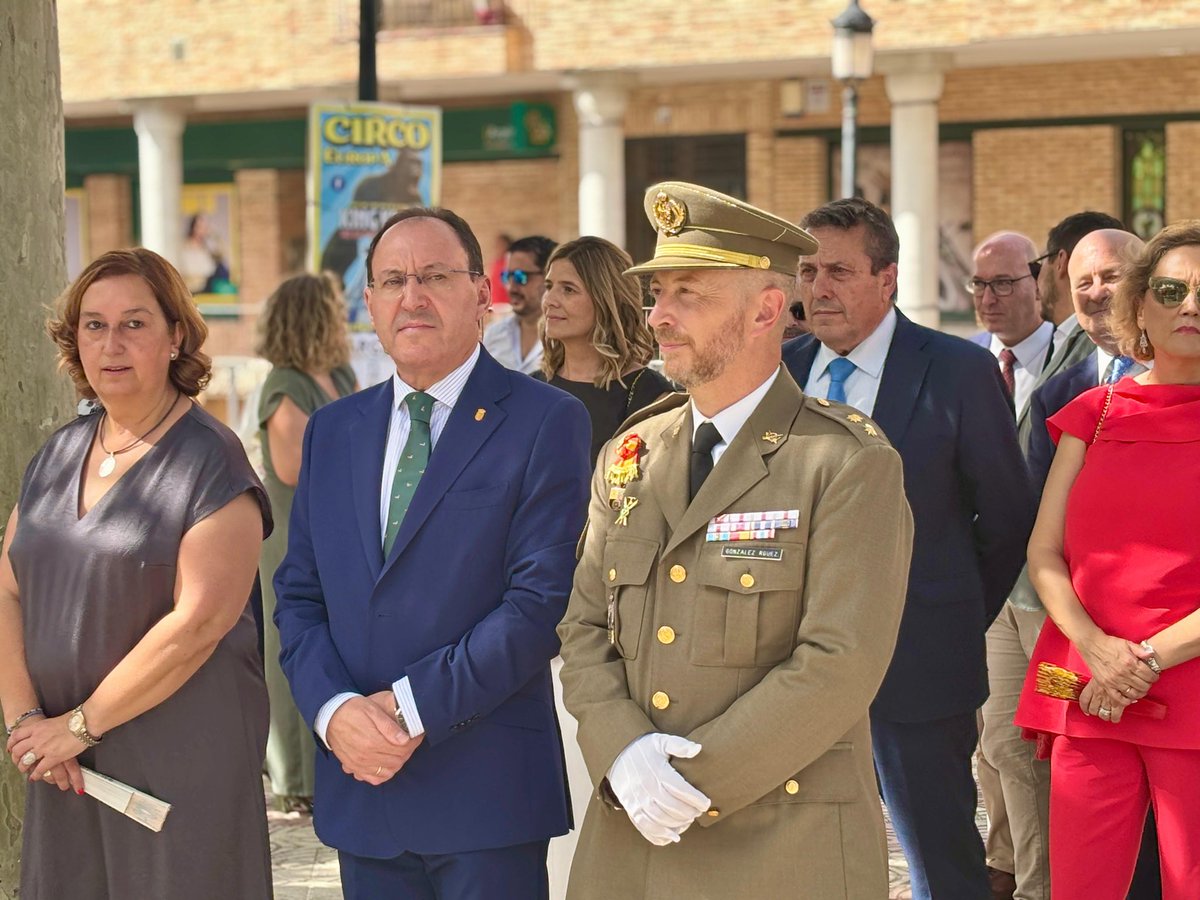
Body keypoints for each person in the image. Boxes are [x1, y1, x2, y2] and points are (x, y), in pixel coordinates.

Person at [560, 182, 914, 899]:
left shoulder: (844, 461)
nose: (659, 316)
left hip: (780, 848)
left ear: (764, 310)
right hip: (631, 847)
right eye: (657, 293)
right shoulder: (632, 451)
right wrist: (621, 753)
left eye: (688, 293)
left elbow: (839, 663)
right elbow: (584, 626)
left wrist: (684, 783)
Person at [273, 207, 591, 898]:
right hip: (362, 790)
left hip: (485, 795)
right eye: (392, 280)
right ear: (370, 304)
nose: (411, 297)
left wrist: (409, 709)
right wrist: (335, 713)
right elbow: (299, 595)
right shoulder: (334, 431)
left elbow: (540, 601)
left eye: (434, 276)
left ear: (482, 294)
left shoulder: (546, 420)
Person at [783, 198, 1035, 900]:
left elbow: (1008, 520)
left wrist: (945, 615)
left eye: (839, 269)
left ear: (888, 277)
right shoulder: (780, 372)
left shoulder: (956, 371)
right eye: (808, 270)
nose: (818, 287)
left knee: (938, 866)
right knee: (813, 861)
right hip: (788, 673)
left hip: (919, 671)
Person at [1, 248, 273, 898]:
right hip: (67, 770)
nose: (111, 343)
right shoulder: (60, 452)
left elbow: (198, 623)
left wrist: (78, 726)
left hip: (175, 773)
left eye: (134, 323)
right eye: (94, 325)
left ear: (175, 334)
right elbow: (7, 585)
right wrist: (27, 728)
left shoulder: (212, 463)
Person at [1015, 221, 1200, 899]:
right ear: (1140, 307)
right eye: (1172, 289)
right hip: (1087, 691)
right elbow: (1043, 554)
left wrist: (1139, 662)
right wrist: (1097, 650)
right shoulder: (1091, 413)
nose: (1190, 305)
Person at [978, 226, 1142, 900]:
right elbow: (1033, 511)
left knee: (1090, 760)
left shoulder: (1178, 378)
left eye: (1112, 277)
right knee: (1014, 747)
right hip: (1032, 613)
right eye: (1083, 283)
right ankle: (1029, 883)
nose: (1098, 293)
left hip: (1122, 623)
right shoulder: (1064, 389)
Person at [255, 272, 358, 813]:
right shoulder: (284, 384)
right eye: (336, 305)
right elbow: (292, 468)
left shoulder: (339, 371)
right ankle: (296, 777)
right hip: (293, 536)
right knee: (291, 646)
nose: (345, 313)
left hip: (342, 533)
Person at [534, 235, 674, 463]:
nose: (550, 300)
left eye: (568, 290)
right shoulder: (532, 388)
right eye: (549, 286)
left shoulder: (649, 396)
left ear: (605, 299)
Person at [969, 232, 1055, 415]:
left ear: (1038, 284)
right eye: (978, 284)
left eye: (1002, 283)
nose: (987, 300)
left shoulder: (1070, 354)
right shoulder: (962, 358)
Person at [482, 234, 555, 374]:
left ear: (548, 276)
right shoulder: (494, 335)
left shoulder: (565, 339)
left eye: (520, 277)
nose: (511, 287)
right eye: (507, 277)